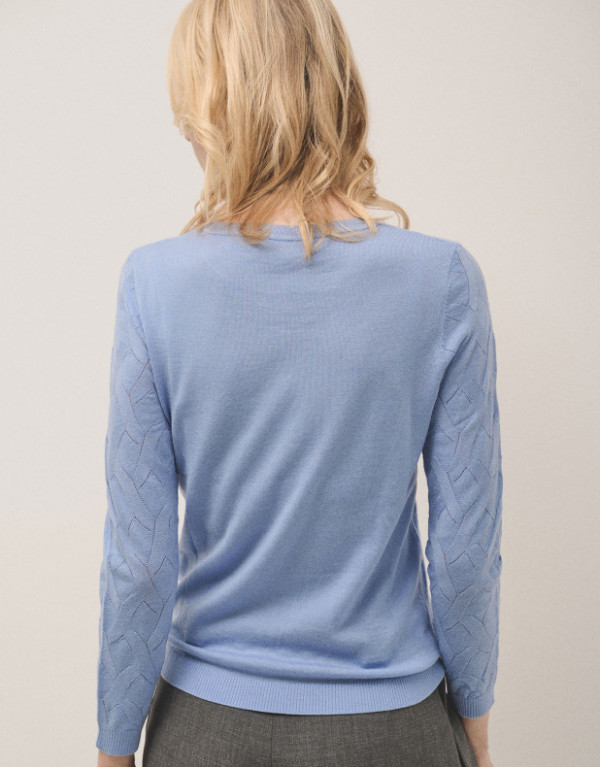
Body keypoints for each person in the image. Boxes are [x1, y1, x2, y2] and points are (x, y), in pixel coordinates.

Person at [95, 1, 503, 766]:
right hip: (395, 729)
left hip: (206, 730)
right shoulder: (443, 281)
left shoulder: (154, 284)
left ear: (215, 105)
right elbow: (463, 559)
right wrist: (474, 723)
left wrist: (115, 748)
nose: (184, 132)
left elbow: (141, 566)